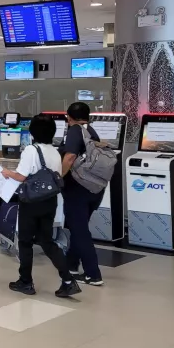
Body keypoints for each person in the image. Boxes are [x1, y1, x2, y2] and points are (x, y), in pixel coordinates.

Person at [1, 114, 81, 298]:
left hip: (31, 202)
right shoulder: (54, 151)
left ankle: (25, 282)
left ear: (33, 132)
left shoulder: (31, 150)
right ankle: (68, 280)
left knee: (26, 241)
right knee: (47, 241)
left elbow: (21, 176)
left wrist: (7, 173)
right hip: (49, 201)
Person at [61, 102, 105, 286]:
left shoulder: (74, 130)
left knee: (79, 230)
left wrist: (58, 177)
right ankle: (71, 264)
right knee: (78, 227)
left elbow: (70, 157)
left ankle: (93, 274)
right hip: (95, 188)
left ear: (68, 117)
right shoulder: (91, 132)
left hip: (77, 189)